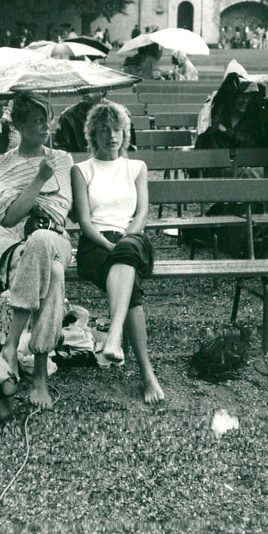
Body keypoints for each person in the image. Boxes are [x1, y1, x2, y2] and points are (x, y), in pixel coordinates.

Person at [0, 93, 74, 410]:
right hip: (11, 246)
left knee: (44, 238)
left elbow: (62, 211)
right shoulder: (1, 164)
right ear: (17, 125)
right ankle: (40, 374)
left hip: (56, 240)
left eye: (48, 118)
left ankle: (12, 344)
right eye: (36, 120)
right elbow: (9, 218)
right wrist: (39, 178)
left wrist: (48, 174)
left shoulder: (64, 159)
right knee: (55, 274)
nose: (46, 126)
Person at [71, 102, 164, 404]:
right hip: (96, 244)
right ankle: (147, 375)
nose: (111, 136)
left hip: (131, 238)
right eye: (103, 131)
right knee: (130, 286)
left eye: (116, 129)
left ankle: (113, 336)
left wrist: (125, 241)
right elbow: (84, 223)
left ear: (125, 132)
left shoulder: (136, 167)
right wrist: (112, 247)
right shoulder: (81, 170)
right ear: (92, 135)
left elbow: (142, 213)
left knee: (127, 258)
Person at [53, 91, 137, 153]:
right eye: (84, 87)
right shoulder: (69, 114)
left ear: (103, 91)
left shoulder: (120, 112)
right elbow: (62, 147)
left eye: (91, 88)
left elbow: (129, 145)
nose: (85, 91)